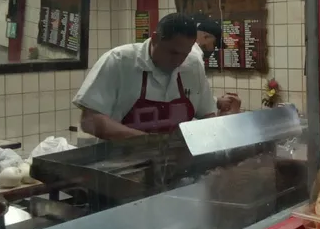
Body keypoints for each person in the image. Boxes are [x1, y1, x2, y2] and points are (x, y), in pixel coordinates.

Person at [74, 13, 217, 140]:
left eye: (184, 54)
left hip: (176, 163)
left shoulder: (193, 64)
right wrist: (149, 143)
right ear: (155, 38)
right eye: (173, 53)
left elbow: (208, 115)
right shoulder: (119, 61)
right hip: (122, 161)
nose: (178, 61)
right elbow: (90, 120)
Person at [192, 17, 241, 115]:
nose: (213, 50)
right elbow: (194, 97)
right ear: (206, 37)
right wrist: (217, 102)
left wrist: (215, 101)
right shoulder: (194, 57)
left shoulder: (190, 52)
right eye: (214, 45)